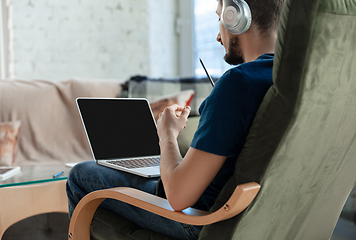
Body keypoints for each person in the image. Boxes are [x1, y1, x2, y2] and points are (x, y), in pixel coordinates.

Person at [66, 0, 284, 239]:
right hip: (259, 218)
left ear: (235, 16)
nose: (218, 37)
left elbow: (179, 196)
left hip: (202, 220)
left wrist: (167, 135)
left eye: (219, 18)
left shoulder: (238, 84)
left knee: (81, 175)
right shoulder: (291, 82)